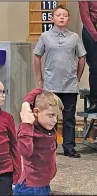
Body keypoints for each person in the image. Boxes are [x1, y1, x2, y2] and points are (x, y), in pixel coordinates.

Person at [33, 5, 86, 158]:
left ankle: (69, 147)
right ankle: (50, 146)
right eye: (58, 15)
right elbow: (37, 56)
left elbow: (82, 57)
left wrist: (78, 77)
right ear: (52, 18)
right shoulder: (45, 37)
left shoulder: (75, 37)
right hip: (51, 84)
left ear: (68, 19)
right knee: (50, 116)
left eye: (65, 15)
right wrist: (39, 79)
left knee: (69, 117)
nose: (62, 17)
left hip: (70, 85)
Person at [14, 88, 63, 195]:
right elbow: (24, 152)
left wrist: (26, 102)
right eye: (51, 115)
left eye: (56, 116)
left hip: (44, 184)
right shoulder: (28, 129)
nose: (54, 120)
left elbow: (39, 89)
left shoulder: (47, 127)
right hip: (30, 187)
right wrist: (26, 120)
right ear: (36, 112)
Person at [79, 1, 97, 113]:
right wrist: (95, 35)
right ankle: (95, 101)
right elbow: (85, 17)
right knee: (95, 66)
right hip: (91, 30)